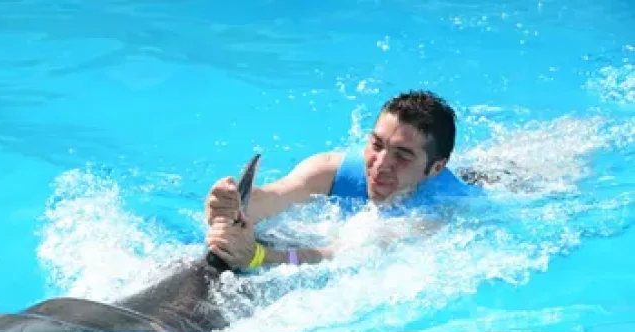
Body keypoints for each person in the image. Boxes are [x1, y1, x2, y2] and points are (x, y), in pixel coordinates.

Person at [204, 89, 480, 271]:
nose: (380, 164)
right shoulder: (329, 169)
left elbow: (339, 256)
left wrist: (260, 256)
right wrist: (228, 207)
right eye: (376, 144)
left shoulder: (432, 216)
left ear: (435, 168)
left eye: (402, 155)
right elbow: (276, 195)